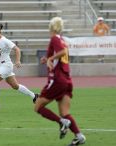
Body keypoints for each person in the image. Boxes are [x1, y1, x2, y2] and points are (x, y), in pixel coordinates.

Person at [34, 17, 86, 146]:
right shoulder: (61, 39)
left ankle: (62, 122)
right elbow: (61, 55)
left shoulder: (55, 38)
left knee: (38, 107)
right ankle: (79, 136)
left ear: (51, 27)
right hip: (67, 80)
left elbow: (63, 52)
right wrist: (48, 59)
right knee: (65, 112)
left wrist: (50, 58)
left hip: (57, 80)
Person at [0, 23, 38, 110]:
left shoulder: (5, 40)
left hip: (7, 65)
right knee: (15, 86)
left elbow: (17, 49)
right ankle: (34, 96)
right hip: (1, 66)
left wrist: (17, 60)